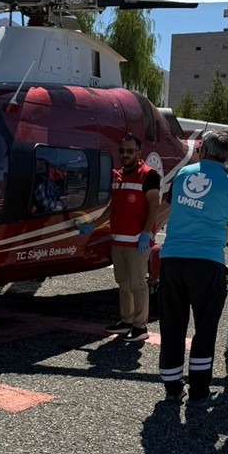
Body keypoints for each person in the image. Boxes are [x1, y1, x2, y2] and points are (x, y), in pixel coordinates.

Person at [157, 131, 228, 407]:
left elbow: (175, 207)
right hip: (207, 261)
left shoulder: (183, 175)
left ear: (201, 151)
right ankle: (199, 391)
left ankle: (172, 388)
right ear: (227, 156)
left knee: (172, 325)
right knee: (204, 328)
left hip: (172, 258)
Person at [80, 134, 161, 344]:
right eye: (122, 151)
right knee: (123, 283)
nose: (125, 155)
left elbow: (153, 206)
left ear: (138, 153)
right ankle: (127, 321)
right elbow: (112, 208)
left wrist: (145, 234)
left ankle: (140, 326)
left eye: (130, 151)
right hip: (119, 241)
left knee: (137, 285)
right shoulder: (117, 176)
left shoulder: (149, 175)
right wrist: (93, 225)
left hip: (137, 243)